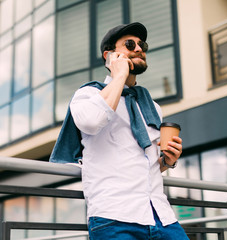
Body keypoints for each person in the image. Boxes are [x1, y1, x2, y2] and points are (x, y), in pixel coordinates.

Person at [51, 22, 190, 240]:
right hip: (114, 217)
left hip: (161, 216)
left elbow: (146, 164)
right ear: (109, 56)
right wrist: (119, 77)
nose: (139, 49)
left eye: (142, 44)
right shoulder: (88, 95)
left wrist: (168, 161)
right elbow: (91, 121)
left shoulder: (152, 107)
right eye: (129, 44)